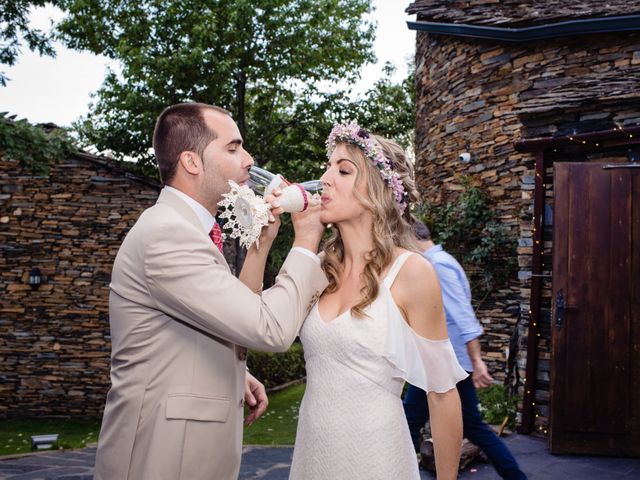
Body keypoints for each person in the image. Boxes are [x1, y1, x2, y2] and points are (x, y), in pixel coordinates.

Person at [93, 102, 329, 480]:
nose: (249, 160)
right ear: (191, 162)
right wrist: (306, 242)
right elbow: (269, 328)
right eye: (233, 148)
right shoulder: (168, 235)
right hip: (162, 457)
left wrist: (262, 242)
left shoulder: (189, 230)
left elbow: (231, 317)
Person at [289, 123, 468, 480]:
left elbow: (443, 395)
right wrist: (264, 239)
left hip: (376, 457)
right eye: (328, 167)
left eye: (342, 170)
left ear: (378, 190)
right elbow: (257, 329)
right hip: (313, 454)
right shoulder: (320, 266)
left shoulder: (413, 272)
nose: (324, 178)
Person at [403, 220, 527, 480]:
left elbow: (464, 317)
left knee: (410, 422)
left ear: (412, 238)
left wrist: (477, 362)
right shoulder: (441, 262)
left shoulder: (438, 266)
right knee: (414, 422)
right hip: (441, 363)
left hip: (449, 364)